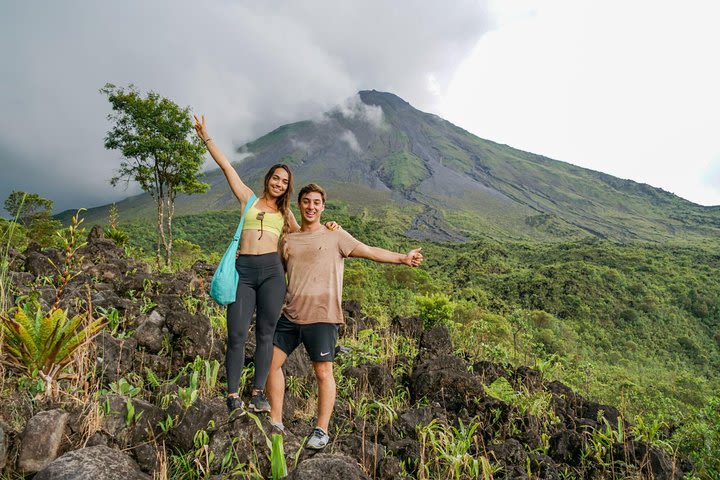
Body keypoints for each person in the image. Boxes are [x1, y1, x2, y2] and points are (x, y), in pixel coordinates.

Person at [193, 116, 338, 415]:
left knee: (265, 334)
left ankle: (258, 393)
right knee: (235, 334)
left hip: (272, 274)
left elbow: (306, 235)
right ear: (268, 179)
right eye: (276, 178)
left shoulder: (286, 215)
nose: (279, 183)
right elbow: (226, 168)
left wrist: (330, 227)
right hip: (244, 272)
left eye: (285, 182)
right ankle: (233, 394)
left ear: (288, 188)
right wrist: (206, 137)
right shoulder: (248, 200)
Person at [266, 183, 423, 449]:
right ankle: (276, 421)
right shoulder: (288, 240)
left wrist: (402, 258)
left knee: (323, 372)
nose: (311, 207)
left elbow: (370, 251)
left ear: (323, 207)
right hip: (291, 315)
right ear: (300, 205)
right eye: (306, 202)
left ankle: (321, 430)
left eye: (316, 202)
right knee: (270, 363)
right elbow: (272, 271)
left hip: (323, 316)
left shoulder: (335, 235)